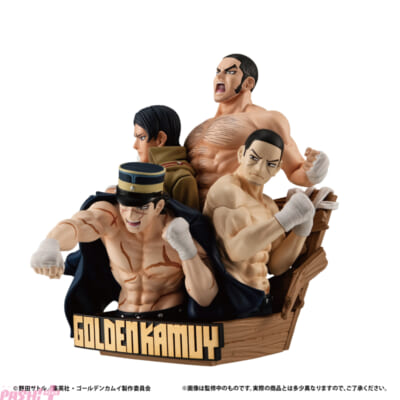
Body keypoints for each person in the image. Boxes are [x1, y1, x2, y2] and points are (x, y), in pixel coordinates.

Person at [31, 162, 217, 332]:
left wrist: (186, 249)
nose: (131, 216)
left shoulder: (179, 230)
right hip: (121, 321)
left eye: (141, 208)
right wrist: (51, 244)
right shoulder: (111, 218)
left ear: (159, 206)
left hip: (170, 321)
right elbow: (81, 223)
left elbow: (205, 297)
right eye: (125, 205)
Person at [185, 54, 329, 205]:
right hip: (188, 209)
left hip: (234, 208)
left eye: (230, 72)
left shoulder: (266, 120)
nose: (220, 76)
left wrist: (314, 170)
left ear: (248, 83)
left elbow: (295, 171)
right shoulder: (201, 127)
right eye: (218, 71)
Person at [203, 129, 315, 316]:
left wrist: (302, 227)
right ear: (241, 153)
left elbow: (276, 266)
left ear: (278, 168)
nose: (259, 169)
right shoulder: (227, 190)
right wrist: (288, 217)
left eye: (270, 164)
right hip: (232, 299)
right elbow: (235, 251)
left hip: (262, 300)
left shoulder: (269, 206)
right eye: (254, 158)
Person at [133, 105, 200, 210]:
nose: (135, 146)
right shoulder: (148, 173)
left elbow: (190, 217)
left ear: (160, 139)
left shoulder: (180, 179)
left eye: (142, 138)